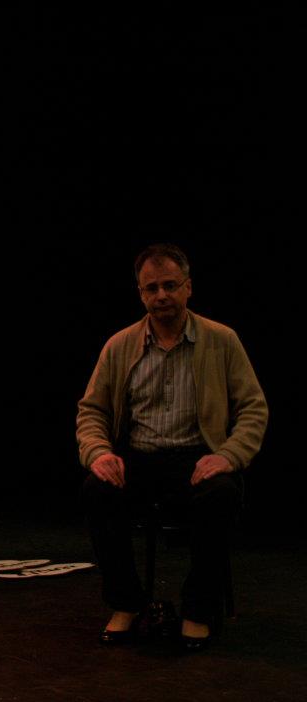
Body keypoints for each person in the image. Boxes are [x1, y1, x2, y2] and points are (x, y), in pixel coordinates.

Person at [77, 243, 267, 650]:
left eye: (169, 285)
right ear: (141, 294)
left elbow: (253, 408)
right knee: (97, 490)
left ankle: (198, 610)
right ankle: (127, 603)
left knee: (222, 493)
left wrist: (228, 455)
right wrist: (99, 453)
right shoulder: (119, 345)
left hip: (196, 458)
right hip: (139, 459)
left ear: (188, 287)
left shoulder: (221, 340)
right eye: (151, 288)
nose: (161, 295)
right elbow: (91, 410)